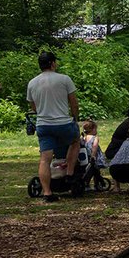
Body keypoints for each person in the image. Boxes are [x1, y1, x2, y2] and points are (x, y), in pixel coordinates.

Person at [25, 51, 80, 202]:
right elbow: (73, 103)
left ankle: (47, 192)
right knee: (75, 141)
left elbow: (33, 107)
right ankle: (69, 174)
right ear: (52, 63)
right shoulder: (64, 79)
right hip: (63, 123)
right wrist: (75, 118)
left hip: (43, 124)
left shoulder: (32, 83)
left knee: (45, 159)